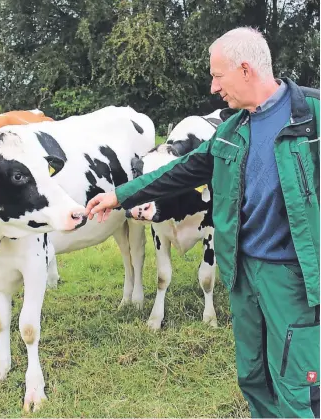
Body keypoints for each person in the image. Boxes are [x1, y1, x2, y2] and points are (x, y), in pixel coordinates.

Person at [85, 27, 320, 418]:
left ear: (245, 70)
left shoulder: (310, 116)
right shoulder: (232, 130)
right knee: (253, 376)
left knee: (298, 384)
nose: (213, 88)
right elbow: (181, 171)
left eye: (217, 75)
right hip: (243, 273)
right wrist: (120, 195)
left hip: (294, 277)